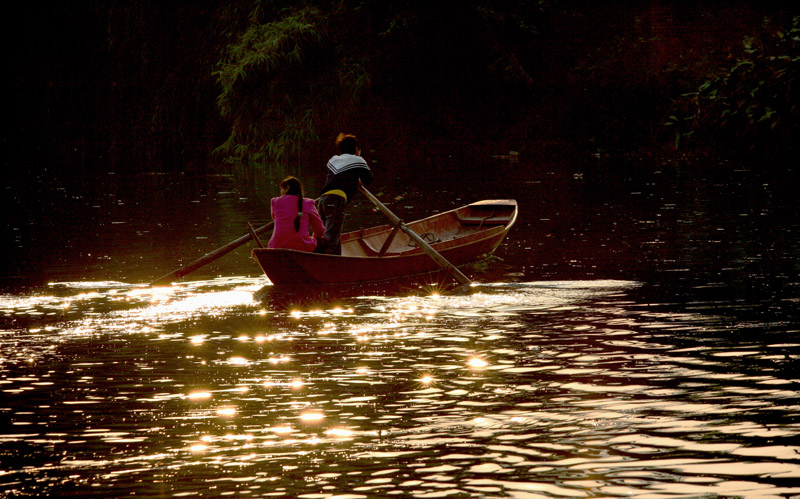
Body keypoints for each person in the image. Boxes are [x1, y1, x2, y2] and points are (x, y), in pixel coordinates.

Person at [314, 133, 373, 255]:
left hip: (323, 201)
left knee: (329, 235)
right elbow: (368, 180)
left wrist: (353, 177)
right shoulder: (358, 160)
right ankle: (324, 262)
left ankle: (336, 261)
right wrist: (358, 179)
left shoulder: (333, 160)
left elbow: (338, 178)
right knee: (330, 239)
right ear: (356, 149)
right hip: (336, 201)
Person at [267, 176, 325, 252]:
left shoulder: (275, 201)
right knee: (325, 242)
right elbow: (319, 229)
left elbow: (274, 219)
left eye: (281, 189)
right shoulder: (308, 203)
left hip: (275, 246)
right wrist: (315, 237)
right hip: (302, 246)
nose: (281, 192)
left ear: (287, 188)